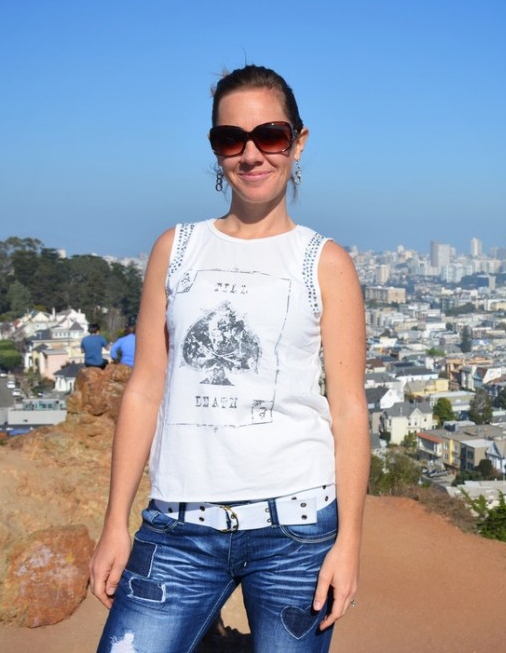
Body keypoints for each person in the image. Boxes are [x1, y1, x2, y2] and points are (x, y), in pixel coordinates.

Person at [90, 64, 369, 652]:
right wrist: (115, 523)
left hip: (297, 531)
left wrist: (349, 544)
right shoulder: (177, 248)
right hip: (178, 528)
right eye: (230, 139)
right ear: (214, 149)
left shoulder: (325, 263)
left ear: (298, 141)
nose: (251, 154)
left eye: (270, 135)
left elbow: (347, 410)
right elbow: (145, 388)